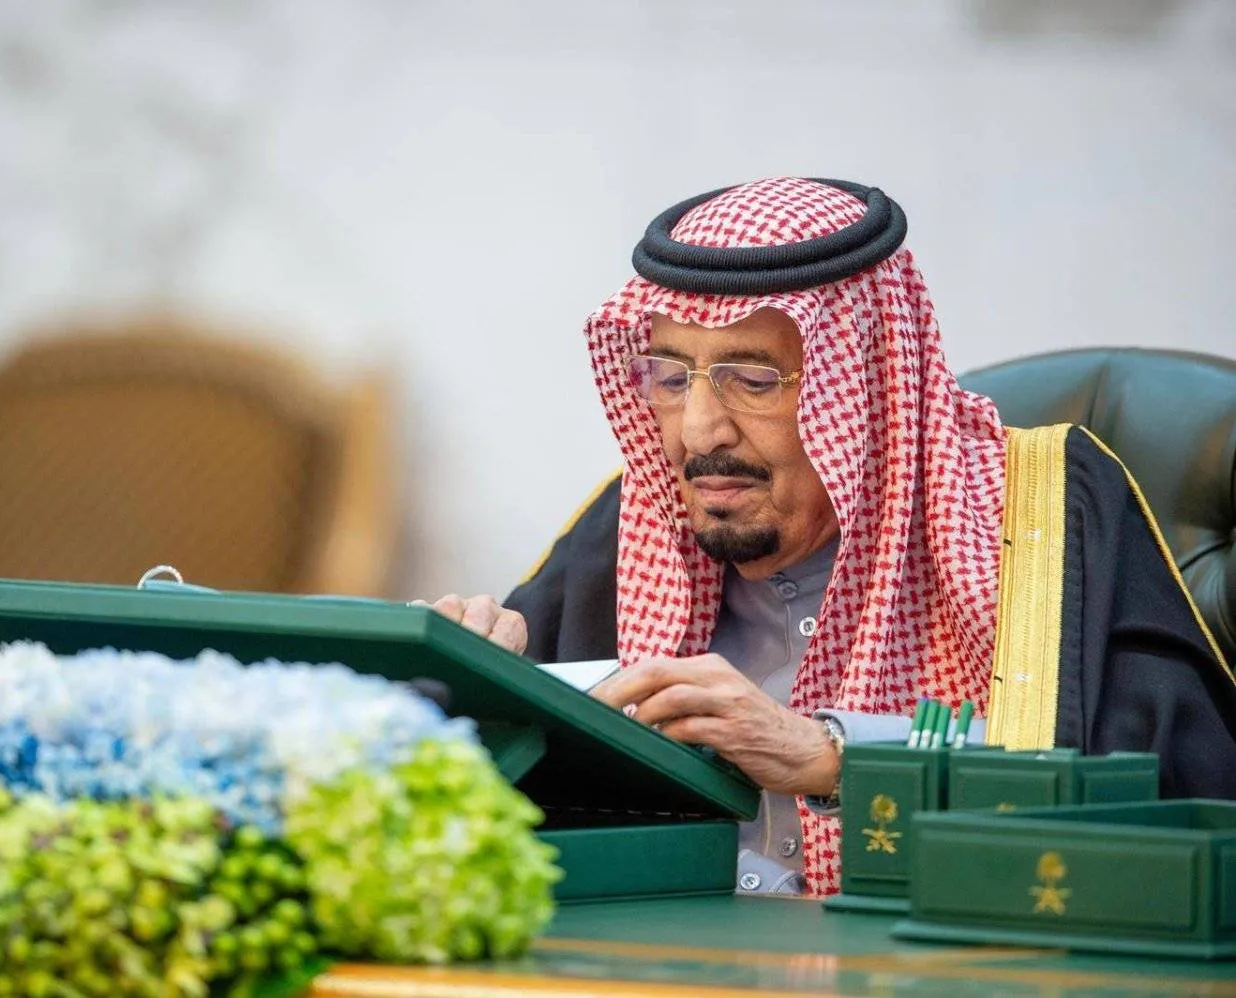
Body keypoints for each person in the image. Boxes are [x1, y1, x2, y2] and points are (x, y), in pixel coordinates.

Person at [422, 177, 1236, 896]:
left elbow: (1165, 795)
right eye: (671, 378)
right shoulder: (629, 528)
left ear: (868, 384)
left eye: (753, 378)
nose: (701, 430)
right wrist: (471, 687)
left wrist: (839, 761)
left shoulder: (1039, 514)